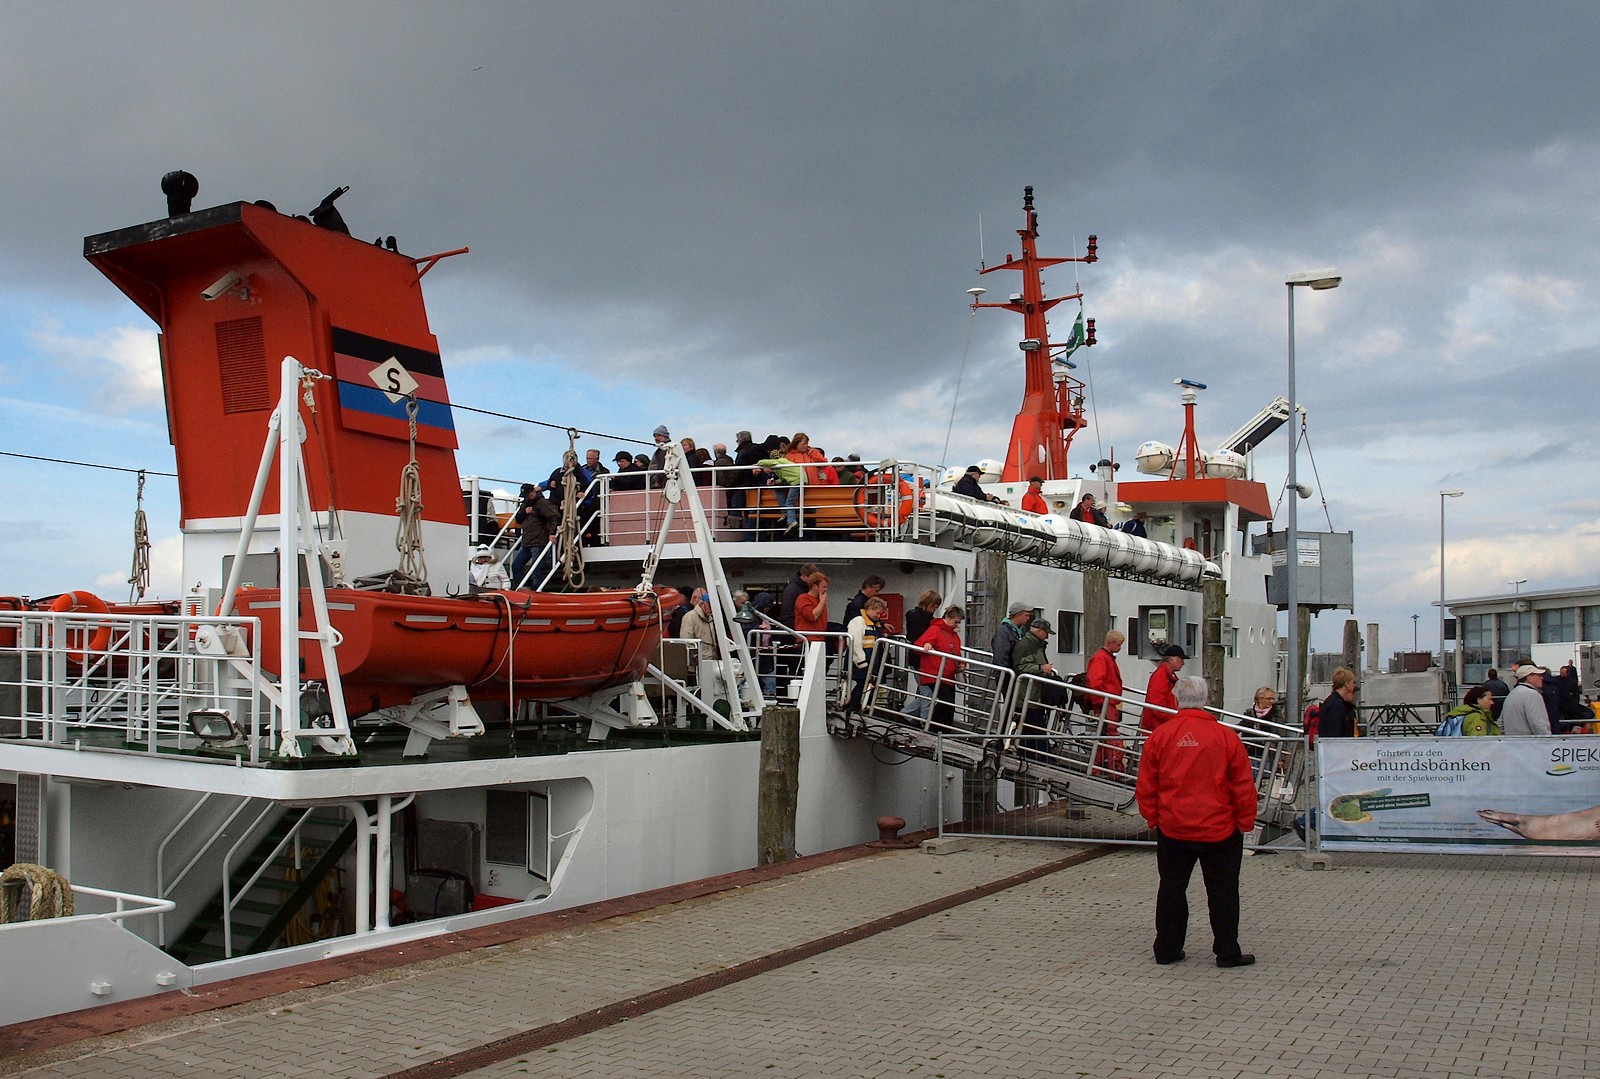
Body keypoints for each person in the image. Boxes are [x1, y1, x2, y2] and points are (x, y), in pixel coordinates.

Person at [1135, 675, 1258, 968]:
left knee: (1172, 888)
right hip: (1220, 829)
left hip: (1174, 827)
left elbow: (1146, 783)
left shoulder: (1161, 736)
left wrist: (1153, 817)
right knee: (1224, 892)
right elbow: (1242, 783)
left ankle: (1167, 948)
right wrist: (1245, 821)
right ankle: (1227, 951)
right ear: (1206, 699)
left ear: (1176, 698)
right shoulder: (1225, 736)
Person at [912, 605, 965, 725]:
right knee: (947, 702)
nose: (957, 624)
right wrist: (926, 645)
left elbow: (956, 651)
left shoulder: (952, 634)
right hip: (935, 674)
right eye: (956, 621)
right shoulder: (935, 630)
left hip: (946, 675)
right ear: (948, 617)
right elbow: (918, 646)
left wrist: (961, 663)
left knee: (949, 705)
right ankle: (933, 726)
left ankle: (940, 727)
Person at [1086, 629, 1126, 774]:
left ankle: (1100, 767)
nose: (1120, 648)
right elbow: (1095, 683)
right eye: (1118, 644)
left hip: (1107, 702)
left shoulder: (1103, 658)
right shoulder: (1102, 659)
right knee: (1111, 735)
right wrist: (1103, 701)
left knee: (1105, 736)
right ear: (1110, 643)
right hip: (1105, 703)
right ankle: (1113, 768)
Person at [846, 596, 893, 714]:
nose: (879, 616)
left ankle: (862, 707)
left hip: (872, 662)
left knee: (870, 684)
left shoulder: (873, 624)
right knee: (863, 684)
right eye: (878, 613)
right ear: (870, 609)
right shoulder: (858, 622)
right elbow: (855, 643)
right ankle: (853, 707)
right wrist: (861, 662)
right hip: (861, 662)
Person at [511, 484, 560, 589]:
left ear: (533, 492)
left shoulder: (542, 503)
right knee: (516, 566)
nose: (526, 497)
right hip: (527, 541)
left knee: (537, 569)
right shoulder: (524, 504)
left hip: (539, 541)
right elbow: (518, 519)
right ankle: (523, 587)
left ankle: (536, 590)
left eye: (527, 494)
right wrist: (524, 512)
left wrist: (552, 533)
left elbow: (554, 517)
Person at [755, 438, 804, 536]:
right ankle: (785, 512)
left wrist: (756, 464)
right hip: (799, 480)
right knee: (778, 489)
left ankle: (792, 521)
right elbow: (785, 478)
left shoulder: (780, 462)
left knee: (789, 502)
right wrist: (776, 482)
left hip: (797, 481)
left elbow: (763, 462)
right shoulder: (783, 465)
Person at [1141, 645, 1187, 733]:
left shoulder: (1165, 675)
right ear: (1172, 659)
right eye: (1181, 659)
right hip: (1158, 726)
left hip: (1161, 725)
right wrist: (1172, 719)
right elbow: (1156, 705)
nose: (1183, 663)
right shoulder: (1161, 676)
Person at [1500, 663, 1551, 735]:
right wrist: (1547, 740)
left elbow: (1501, 723)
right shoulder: (1532, 694)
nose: (1542, 678)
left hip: (1512, 742)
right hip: (1530, 743)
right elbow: (1538, 724)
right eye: (1538, 675)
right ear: (1529, 678)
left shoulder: (1511, 694)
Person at [990, 601, 1033, 672]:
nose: (1028, 618)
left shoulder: (1020, 630)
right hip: (1008, 674)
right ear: (1017, 615)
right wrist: (1006, 673)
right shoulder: (1004, 631)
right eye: (1026, 615)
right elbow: (1001, 655)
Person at [1318, 668, 1359, 738]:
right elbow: (1333, 732)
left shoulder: (1333, 702)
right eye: (1353, 682)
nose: (1354, 685)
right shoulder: (1336, 706)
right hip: (1338, 746)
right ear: (1346, 684)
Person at [681, 590, 719, 658]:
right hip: (698, 660)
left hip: (711, 658)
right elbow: (686, 641)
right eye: (710, 606)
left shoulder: (711, 618)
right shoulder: (690, 617)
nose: (711, 609)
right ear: (702, 604)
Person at [779, 562, 819, 627]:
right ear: (804, 576)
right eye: (812, 578)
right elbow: (787, 613)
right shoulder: (792, 590)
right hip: (797, 630)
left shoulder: (794, 589)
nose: (814, 581)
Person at [793, 572, 830, 641]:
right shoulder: (803, 598)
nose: (826, 589)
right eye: (824, 587)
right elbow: (812, 616)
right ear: (815, 586)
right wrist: (822, 601)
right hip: (807, 641)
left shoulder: (820, 601)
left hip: (820, 639)